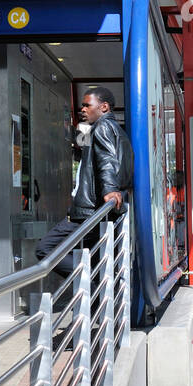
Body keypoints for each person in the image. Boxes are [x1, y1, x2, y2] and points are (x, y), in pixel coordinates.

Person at [35, 87, 132, 282]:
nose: (83, 109)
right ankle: (99, 283)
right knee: (95, 256)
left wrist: (110, 189)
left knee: (45, 249)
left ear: (104, 107)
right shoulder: (113, 130)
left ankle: (95, 279)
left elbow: (107, 161)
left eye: (87, 105)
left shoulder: (103, 128)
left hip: (88, 212)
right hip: (98, 212)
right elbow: (88, 154)